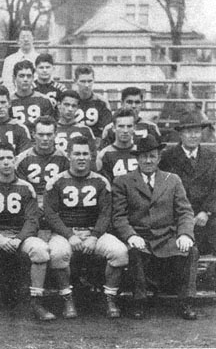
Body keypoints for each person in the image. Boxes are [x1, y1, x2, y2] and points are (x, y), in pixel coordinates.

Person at [113, 136, 198, 320]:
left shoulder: (172, 180)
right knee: (134, 252)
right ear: (137, 159)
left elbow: (185, 212)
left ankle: (187, 301)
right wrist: (130, 235)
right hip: (141, 237)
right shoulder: (124, 181)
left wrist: (185, 234)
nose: (148, 160)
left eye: (152, 156)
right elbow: (119, 216)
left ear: (159, 158)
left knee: (190, 250)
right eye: (143, 156)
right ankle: (139, 302)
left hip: (167, 237)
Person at [43, 136, 127, 319]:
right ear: (69, 156)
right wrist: (68, 235)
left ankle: (109, 298)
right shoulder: (56, 181)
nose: (81, 158)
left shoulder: (101, 181)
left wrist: (95, 236)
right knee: (57, 253)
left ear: (91, 156)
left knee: (120, 252)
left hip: (92, 232)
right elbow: (50, 214)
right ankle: (67, 298)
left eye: (85, 154)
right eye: (77, 154)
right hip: (65, 233)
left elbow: (106, 213)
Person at [0, 142, 53, 321]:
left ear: (15, 160)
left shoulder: (26, 187)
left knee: (40, 250)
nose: (6, 162)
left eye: (9, 158)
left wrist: (19, 239)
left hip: (19, 235)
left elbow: (32, 220)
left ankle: (36, 302)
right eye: (1, 158)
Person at [159, 111, 216, 260]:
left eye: (197, 131)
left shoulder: (212, 157)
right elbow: (164, 190)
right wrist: (183, 216)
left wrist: (206, 211)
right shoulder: (168, 158)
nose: (193, 136)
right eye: (188, 132)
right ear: (180, 134)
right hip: (177, 216)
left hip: (205, 217)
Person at [15, 116, 70, 206]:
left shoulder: (65, 158)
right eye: (41, 134)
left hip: (56, 204)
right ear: (33, 134)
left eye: (49, 134)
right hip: (30, 204)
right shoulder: (22, 159)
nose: (45, 138)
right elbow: (20, 189)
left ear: (55, 134)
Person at [9, 60, 54, 132]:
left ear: (33, 78)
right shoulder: (9, 101)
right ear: (14, 78)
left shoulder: (43, 100)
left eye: (29, 76)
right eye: (21, 76)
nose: (25, 79)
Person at [96, 108, 137, 182]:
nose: (125, 131)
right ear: (114, 128)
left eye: (129, 126)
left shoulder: (140, 152)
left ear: (134, 128)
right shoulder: (104, 155)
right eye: (121, 126)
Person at [73, 66, 112, 138]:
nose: (87, 85)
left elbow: (108, 127)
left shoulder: (101, 101)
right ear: (75, 81)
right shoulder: (70, 101)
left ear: (94, 80)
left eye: (90, 81)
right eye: (83, 81)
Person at [1, 25, 40, 94]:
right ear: (17, 41)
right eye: (23, 37)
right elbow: (7, 83)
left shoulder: (40, 59)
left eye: (28, 37)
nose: (26, 40)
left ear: (33, 39)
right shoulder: (9, 60)